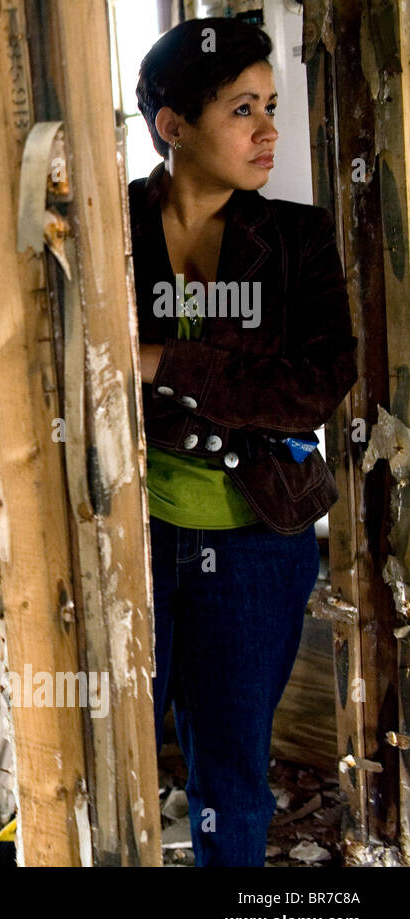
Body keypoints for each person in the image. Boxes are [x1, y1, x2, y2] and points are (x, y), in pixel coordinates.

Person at [132, 17, 357, 866]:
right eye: (241, 109)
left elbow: (310, 389)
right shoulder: (112, 229)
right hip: (135, 535)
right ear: (174, 126)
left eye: (271, 106)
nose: (268, 131)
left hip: (259, 537)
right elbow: (77, 366)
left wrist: (160, 360)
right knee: (120, 747)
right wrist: (219, 385)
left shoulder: (298, 238)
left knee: (232, 772)